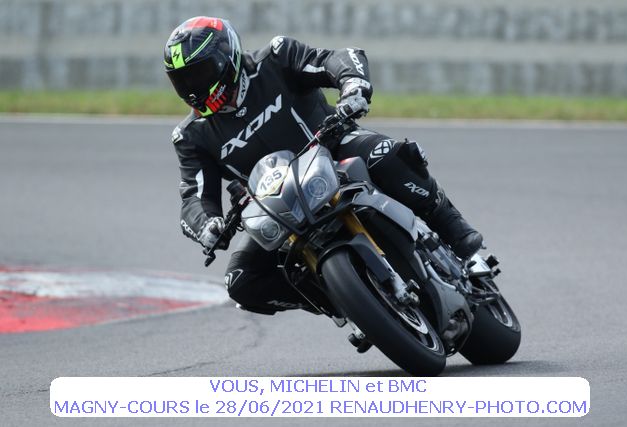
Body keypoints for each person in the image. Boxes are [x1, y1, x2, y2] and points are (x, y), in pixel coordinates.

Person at [164, 16, 483, 314]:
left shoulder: (275, 57)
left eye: (200, 73)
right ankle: (343, 303)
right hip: (277, 206)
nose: (193, 88)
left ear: (227, 58)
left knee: (387, 155)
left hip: (335, 148)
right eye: (183, 80)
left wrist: (353, 86)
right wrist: (206, 225)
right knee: (240, 282)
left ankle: (461, 242)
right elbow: (194, 196)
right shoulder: (191, 136)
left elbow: (335, 59)